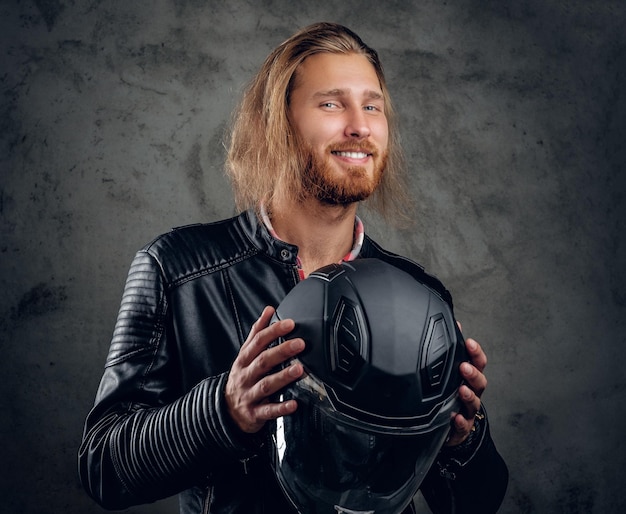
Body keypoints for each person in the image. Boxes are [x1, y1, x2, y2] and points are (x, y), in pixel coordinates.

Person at [78, 22, 508, 514]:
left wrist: (461, 441)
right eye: (331, 103)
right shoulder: (177, 270)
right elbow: (101, 468)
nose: (360, 126)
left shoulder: (421, 295)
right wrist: (224, 410)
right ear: (276, 123)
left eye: (372, 106)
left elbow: (479, 503)